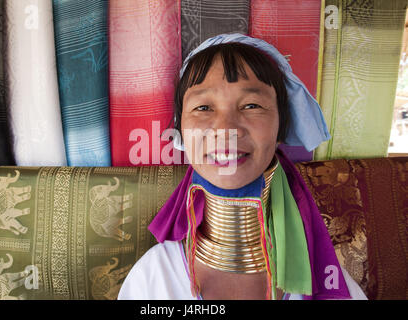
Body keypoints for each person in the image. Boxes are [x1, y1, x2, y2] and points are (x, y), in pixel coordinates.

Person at [117, 34, 367, 300]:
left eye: (251, 105)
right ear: (181, 132)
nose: (226, 129)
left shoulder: (329, 279)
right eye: (203, 107)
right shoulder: (153, 278)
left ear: (281, 128)